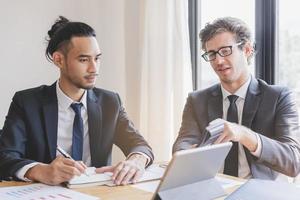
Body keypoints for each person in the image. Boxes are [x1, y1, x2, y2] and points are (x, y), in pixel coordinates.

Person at [0, 16, 153, 186]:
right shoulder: (27, 102)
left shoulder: (109, 102)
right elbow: (5, 155)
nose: (94, 68)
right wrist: (41, 171)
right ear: (59, 60)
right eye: (83, 59)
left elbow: (139, 145)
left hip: (97, 192)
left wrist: (136, 161)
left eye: (97, 58)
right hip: (44, 193)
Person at [173, 17, 300, 180]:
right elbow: (183, 143)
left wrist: (245, 135)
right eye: (211, 54)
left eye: (225, 51)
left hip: (257, 191)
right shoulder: (197, 100)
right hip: (212, 186)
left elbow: (293, 161)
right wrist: (186, 155)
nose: (218, 60)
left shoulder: (279, 97)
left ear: (247, 50)